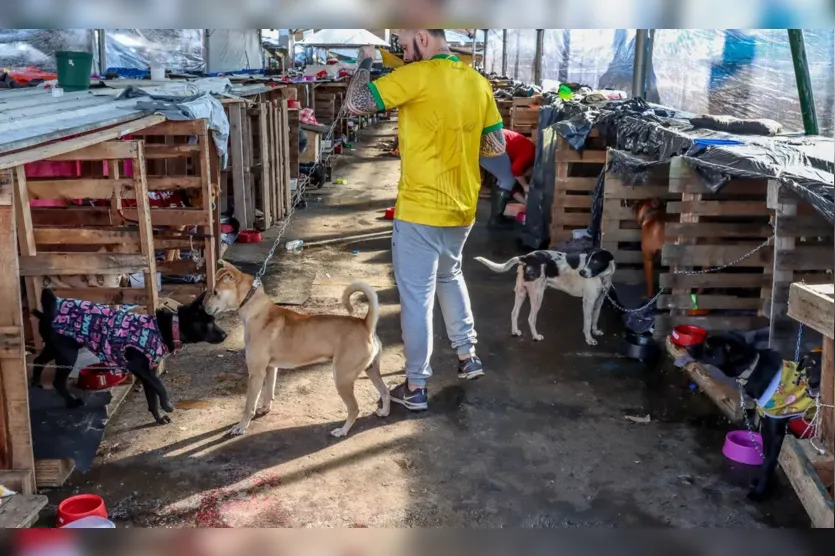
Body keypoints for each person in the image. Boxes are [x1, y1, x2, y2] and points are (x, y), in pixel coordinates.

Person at [345, 29, 506, 411]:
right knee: (450, 276)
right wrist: (458, 137)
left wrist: (366, 59)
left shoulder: (416, 78)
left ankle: (416, 386)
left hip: (420, 209)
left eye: (402, 42)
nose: (400, 48)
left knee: (416, 298)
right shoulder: (477, 82)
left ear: (422, 36)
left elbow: (356, 102)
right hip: (462, 208)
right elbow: (495, 145)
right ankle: (468, 356)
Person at [479, 128, 536, 229]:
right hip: (490, 142)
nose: (527, 176)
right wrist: (525, 185)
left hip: (485, 143)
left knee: (505, 180)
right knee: (508, 179)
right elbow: (515, 169)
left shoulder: (516, 156)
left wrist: (526, 203)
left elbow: (509, 186)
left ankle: (497, 218)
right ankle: (495, 221)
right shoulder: (530, 152)